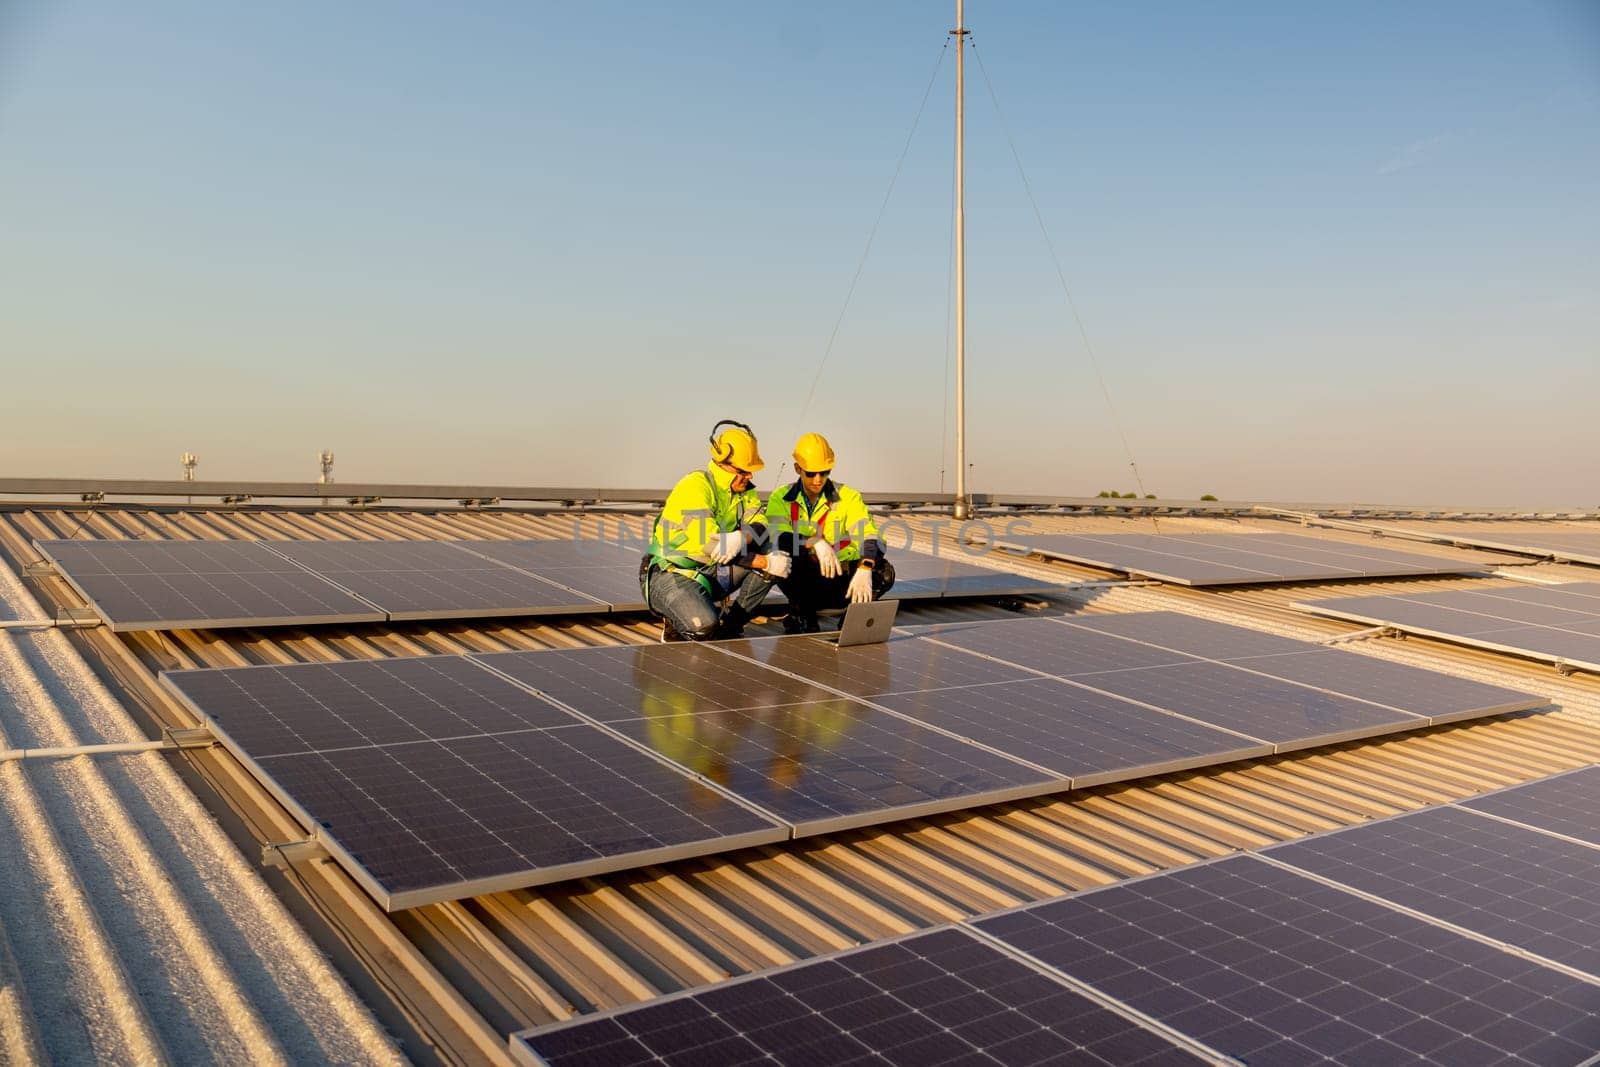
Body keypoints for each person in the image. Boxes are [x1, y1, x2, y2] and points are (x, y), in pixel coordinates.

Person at [641, 419, 791, 641]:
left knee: (774, 549)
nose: (750, 476)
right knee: (703, 627)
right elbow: (712, 547)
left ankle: (731, 626)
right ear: (724, 465)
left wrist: (742, 537)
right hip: (671, 574)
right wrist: (764, 562)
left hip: (710, 572)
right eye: (744, 470)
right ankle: (675, 618)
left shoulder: (743, 490)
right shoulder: (695, 487)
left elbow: (760, 522)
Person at [766, 432, 894, 634]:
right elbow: (777, 537)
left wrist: (866, 566)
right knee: (782, 559)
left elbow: (871, 536)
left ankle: (853, 619)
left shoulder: (848, 497)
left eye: (824, 472)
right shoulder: (780, 498)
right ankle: (803, 616)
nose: (818, 479)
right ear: (797, 469)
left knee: (884, 572)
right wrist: (814, 542)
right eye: (811, 473)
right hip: (804, 580)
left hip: (840, 578)